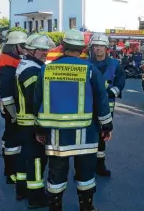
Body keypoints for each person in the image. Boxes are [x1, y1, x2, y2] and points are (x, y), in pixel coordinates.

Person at [33, 29, 113, 211]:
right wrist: (106, 126)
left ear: (63, 47)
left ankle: (55, 206)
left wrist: (39, 129)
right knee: (85, 174)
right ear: (83, 49)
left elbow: (37, 102)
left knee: (56, 175)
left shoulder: (47, 69)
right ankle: (86, 206)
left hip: (57, 136)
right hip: (86, 134)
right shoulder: (90, 70)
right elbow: (101, 99)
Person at [14, 34, 55, 207]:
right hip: (31, 123)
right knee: (36, 160)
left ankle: (22, 190)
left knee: (26, 157)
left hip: (24, 123)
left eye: (46, 49)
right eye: (41, 49)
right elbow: (34, 102)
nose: (45, 53)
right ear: (31, 50)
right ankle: (36, 197)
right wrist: (41, 128)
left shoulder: (27, 65)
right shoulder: (33, 71)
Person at [88, 33, 125, 177]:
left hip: (107, 108)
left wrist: (111, 93)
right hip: (88, 107)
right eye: (95, 46)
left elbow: (121, 82)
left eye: (100, 46)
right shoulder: (87, 64)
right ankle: (86, 166)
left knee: (103, 135)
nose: (98, 49)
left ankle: (100, 165)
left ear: (106, 48)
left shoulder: (115, 64)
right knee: (88, 137)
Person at [0, 31, 27, 184]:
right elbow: (7, 93)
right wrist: (14, 114)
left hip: (9, 105)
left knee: (9, 137)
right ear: (15, 46)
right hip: (10, 106)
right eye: (23, 46)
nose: (25, 48)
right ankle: (11, 173)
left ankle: (10, 167)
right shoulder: (7, 64)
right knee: (12, 140)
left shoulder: (10, 59)